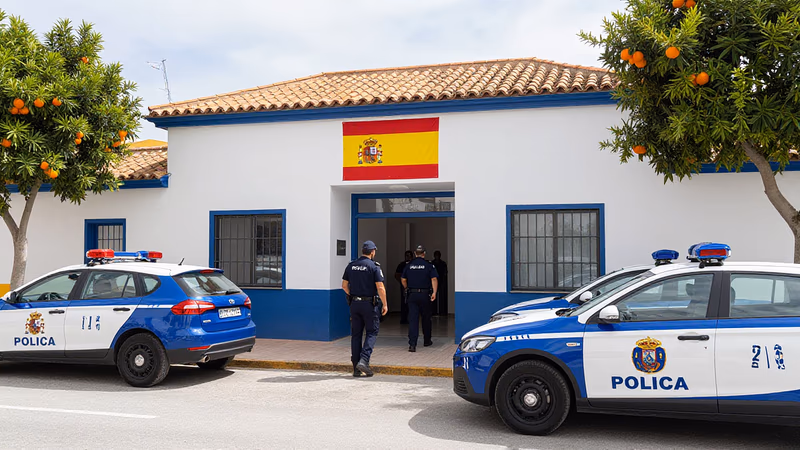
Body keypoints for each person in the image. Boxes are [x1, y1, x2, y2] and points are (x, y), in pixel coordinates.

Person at [342, 240, 388, 377]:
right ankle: (364, 359)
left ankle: (356, 367)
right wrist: (385, 304)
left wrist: (354, 296)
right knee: (372, 332)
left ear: (363, 251)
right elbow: (380, 287)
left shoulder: (351, 266)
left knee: (356, 335)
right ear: (373, 252)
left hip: (354, 304)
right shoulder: (374, 267)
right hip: (369, 305)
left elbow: (344, 286)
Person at [401, 245, 438, 352]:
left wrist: (407, 288)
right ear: (424, 253)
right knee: (426, 318)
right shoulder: (428, 265)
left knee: (413, 319)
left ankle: (412, 344)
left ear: (415, 253)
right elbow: (434, 279)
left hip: (412, 295)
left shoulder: (409, 265)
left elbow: (403, 279)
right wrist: (434, 292)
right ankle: (427, 340)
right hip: (425, 295)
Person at [394, 250, 413, 324]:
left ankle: (410, 318)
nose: (408, 257)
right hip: (404, 286)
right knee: (404, 302)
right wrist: (402, 282)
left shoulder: (414, 264)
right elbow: (397, 275)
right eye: (407, 256)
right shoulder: (402, 265)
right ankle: (404, 318)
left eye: (409, 256)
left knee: (412, 303)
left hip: (413, 286)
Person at [430, 250, 448, 316]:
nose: (437, 256)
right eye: (436, 255)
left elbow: (445, 273)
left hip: (441, 281)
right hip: (433, 282)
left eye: (438, 255)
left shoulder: (443, 264)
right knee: (433, 297)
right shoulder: (431, 263)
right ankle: (433, 312)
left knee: (442, 298)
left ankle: (442, 312)